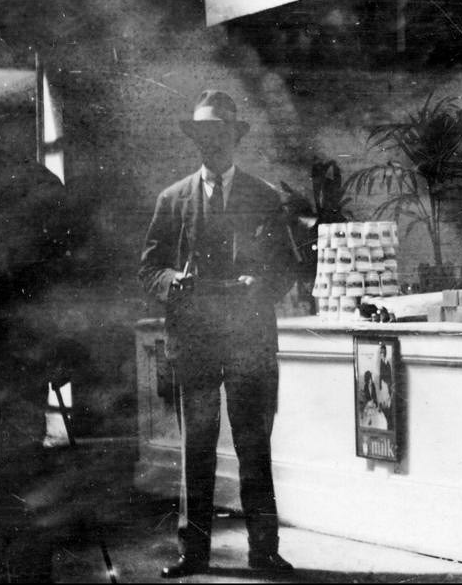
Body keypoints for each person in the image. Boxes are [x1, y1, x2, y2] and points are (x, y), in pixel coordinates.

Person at [139, 90, 296, 577]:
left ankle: (264, 550)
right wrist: (173, 282)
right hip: (196, 340)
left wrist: (260, 284)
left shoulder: (264, 197)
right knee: (197, 447)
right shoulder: (173, 199)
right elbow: (149, 270)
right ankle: (195, 552)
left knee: (254, 445)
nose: (212, 143)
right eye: (203, 134)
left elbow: (287, 266)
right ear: (197, 140)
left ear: (234, 137)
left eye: (220, 134)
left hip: (248, 339)